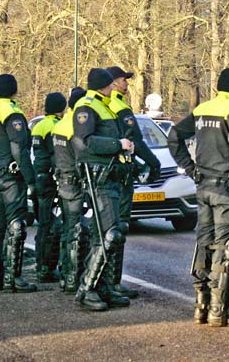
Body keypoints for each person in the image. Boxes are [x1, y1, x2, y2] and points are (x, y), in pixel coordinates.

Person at [168, 68, 229, 327]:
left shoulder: (203, 109)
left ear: (217, 87)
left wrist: (190, 168)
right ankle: (219, 309)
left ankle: (201, 306)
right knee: (224, 246)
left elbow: (174, 137)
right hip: (226, 187)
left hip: (203, 186)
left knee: (203, 242)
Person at [72, 68, 135, 311]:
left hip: (112, 176)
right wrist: (116, 144)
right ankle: (86, 289)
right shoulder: (88, 107)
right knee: (108, 234)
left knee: (110, 234)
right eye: (110, 85)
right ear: (102, 86)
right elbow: (83, 144)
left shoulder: (104, 105)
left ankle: (103, 287)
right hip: (99, 178)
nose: (113, 88)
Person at [106, 65, 161, 299]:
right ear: (114, 83)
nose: (127, 84)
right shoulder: (119, 107)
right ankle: (113, 283)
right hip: (120, 176)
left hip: (107, 173)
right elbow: (135, 139)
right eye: (123, 80)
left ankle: (105, 282)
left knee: (107, 228)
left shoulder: (102, 105)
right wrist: (153, 163)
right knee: (119, 227)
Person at [0, 74, 37, 292]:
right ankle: (15, 277)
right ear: (14, 90)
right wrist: (30, 178)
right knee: (17, 226)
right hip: (11, 177)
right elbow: (18, 149)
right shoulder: (13, 113)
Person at [53, 86, 87, 294]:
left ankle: (65, 273)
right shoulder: (77, 125)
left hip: (63, 181)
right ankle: (74, 277)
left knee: (67, 229)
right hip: (76, 182)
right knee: (77, 230)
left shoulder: (61, 124)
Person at [31, 92, 67, 282]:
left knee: (43, 224)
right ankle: (47, 267)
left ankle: (41, 265)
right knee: (53, 226)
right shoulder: (55, 126)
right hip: (52, 180)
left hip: (40, 177)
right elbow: (57, 156)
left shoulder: (38, 126)